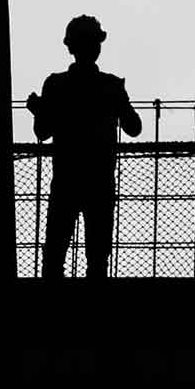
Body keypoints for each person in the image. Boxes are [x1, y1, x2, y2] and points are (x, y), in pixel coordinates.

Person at [28, 15, 142, 280]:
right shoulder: (111, 86)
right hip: (100, 181)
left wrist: (39, 110)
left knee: (54, 256)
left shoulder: (56, 85)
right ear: (97, 46)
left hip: (66, 180)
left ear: (70, 47)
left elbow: (42, 132)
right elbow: (134, 128)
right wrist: (118, 102)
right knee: (98, 258)